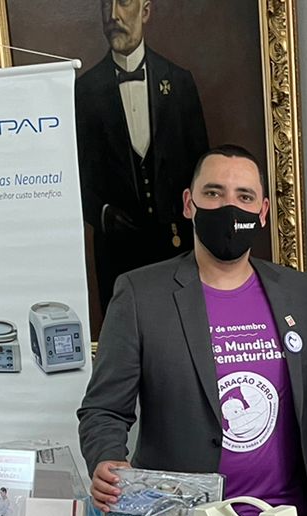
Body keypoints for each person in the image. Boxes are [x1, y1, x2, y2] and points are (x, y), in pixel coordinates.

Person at [78, 145, 307, 516]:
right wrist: (106, 458)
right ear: (188, 204)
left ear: (262, 211)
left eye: (244, 196)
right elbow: (104, 409)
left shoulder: (300, 292)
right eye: (213, 193)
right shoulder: (141, 295)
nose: (229, 207)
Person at [75, 0, 209, 313]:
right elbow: (74, 173)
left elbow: (203, 168)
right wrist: (103, 214)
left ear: (145, 11)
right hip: (116, 255)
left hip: (176, 247)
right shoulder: (83, 91)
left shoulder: (179, 81)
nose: (113, 15)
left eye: (123, 3)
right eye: (105, 5)